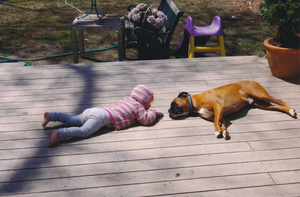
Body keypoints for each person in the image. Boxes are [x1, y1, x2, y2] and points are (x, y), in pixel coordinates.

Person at [42, 85, 163, 147]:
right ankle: (59, 133)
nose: (150, 105)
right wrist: (153, 114)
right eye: (150, 102)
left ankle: (52, 116)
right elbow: (145, 120)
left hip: (97, 111)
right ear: (143, 100)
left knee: (74, 119)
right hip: (101, 118)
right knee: (84, 131)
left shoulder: (126, 99)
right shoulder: (138, 107)